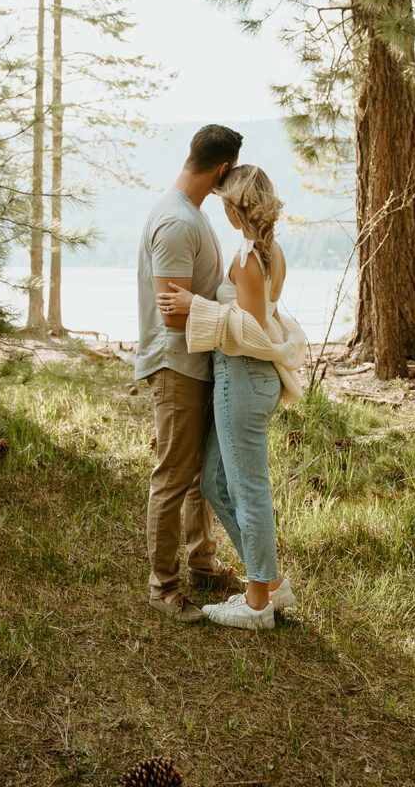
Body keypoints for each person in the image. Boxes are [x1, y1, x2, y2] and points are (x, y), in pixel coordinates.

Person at [157, 165, 307, 630]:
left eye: (224, 202)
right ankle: (269, 581)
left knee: (249, 490)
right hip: (244, 377)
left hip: (241, 379)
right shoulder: (266, 251)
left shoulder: (247, 260)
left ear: (232, 206)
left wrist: (193, 307)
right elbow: (251, 316)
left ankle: (258, 603)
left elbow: (252, 328)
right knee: (215, 484)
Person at [136, 124, 244, 623]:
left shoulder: (191, 214)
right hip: (175, 365)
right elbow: (173, 314)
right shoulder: (177, 221)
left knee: (200, 474)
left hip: (197, 364)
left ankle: (202, 562)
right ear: (222, 170)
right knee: (174, 476)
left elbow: (190, 301)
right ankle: (163, 587)